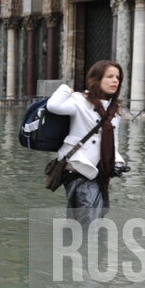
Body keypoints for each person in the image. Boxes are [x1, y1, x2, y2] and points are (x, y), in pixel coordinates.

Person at [46, 60, 129, 223]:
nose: (115, 81)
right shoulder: (79, 101)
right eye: (110, 76)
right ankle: (85, 245)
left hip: (101, 169)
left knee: (92, 214)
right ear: (96, 79)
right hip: (78, 166)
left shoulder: (114, 109)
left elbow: (113, 141)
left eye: (118, 77)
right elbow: (53, 106)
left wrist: (115, 163)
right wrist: (65, 89)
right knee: (89, 217)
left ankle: (74, 244)